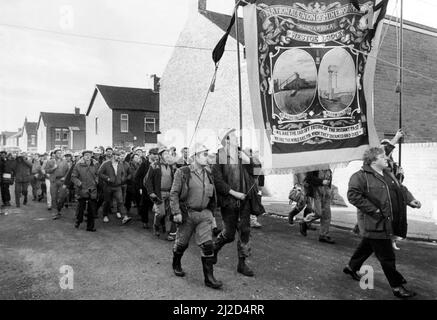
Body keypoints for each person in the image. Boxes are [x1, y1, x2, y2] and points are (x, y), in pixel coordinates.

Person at [344, 147, 421, 299]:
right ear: (373, 160)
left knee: (367, 247)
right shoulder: (360, 177)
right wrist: (375, 210)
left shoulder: (387, 173)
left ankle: (351, 267)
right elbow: (353, 196)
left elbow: (401, 189)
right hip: (375, 223)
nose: (386, 158)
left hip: (388, 222)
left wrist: (410, 200)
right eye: (383, 156)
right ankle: (397, 287)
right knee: (387, 257)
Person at [170, 143, 222, 289]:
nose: (207, 157)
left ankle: (209, 278)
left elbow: (213, 196)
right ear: (194, 156)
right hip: (187, 214)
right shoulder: (183, 172)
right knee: (182, 244)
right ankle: (176, 263)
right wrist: (176, 212)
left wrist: (212, 215)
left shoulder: (209, 173)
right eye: (204, 154)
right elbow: (174, 193)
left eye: (207, 154)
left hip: (204, 214)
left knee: (207, 245)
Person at [211, 128, 259, 277]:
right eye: (234, 137)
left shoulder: (241, 155)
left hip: (244, 202)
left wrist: (249, 162)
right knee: (229, 234)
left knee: (245, 232)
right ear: (226, 140)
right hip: (229, 202)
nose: (237, 138)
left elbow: (258, 173)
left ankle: (242, 264)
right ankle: (214, 249)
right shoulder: (220, 156)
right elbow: (217, 181)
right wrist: (234, 193)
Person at [145, 145, 177, 240]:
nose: (167, 155)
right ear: (160, 155)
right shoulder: (154, 165)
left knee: (169, 214)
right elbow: (148, 180)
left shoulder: (171, 166)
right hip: (159, 193)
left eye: (168, 153)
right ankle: (156, 225)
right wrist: (151, 192)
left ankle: (168, 233)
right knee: (161, 213)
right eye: (165, 153)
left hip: (170, 193)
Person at [298, 169, 335, 244]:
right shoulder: (314, 166)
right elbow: (309, 178)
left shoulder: (328, 168)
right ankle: (304, 221)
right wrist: (321, 182)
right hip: (316, 193)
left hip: (326, 193)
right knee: (318, 213)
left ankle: (324, 235)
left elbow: (328, 181)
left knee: (327, 215)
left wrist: (330, 191)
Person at [98, 150, 131, 224]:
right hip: (108, 186)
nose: (119, 157)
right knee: (107, 202)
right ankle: (105, 215)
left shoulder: (120, 164)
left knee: (120, 201)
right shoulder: (106, 163)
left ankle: (124, 216)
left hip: (118, 186)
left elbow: (123, 173)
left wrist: (122, 179)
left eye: (119, 156)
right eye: (117, 155)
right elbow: (99, 173)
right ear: (113, 156)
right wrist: (107, 178)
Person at [71, 150, 99, 232]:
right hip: (82, 189)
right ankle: (78, 221)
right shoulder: (78, 165)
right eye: (86, 155)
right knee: (81, 208)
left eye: (89, 155)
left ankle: (90, 227)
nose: (87, 156)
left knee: (92, 208)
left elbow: (98, 174)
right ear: (83, 156)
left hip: (92, 189)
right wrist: (79, 183)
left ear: (91, 156)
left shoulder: (96, 164)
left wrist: (97, 180)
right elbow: (73, 177)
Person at [135, 148, 158, 229]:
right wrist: (140, 187)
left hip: (156, 189)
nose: (156, 156)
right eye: (154, 154)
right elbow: (137, 177)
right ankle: (145, 221)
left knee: (157, 205)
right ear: (150, 154)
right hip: (145, 188)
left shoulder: (158, 164)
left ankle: (158, 223)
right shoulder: (144, 164)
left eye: (157, 154)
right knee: (145, 205)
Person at [44, 149, 69, 219]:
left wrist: (65, 177)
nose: (59, 154)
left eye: (60, 153)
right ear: (54, 154)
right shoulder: (50, 161)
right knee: (54, 197)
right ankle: (55, 213)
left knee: (62, 197)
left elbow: (68, 171)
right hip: (53, 181)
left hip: (62, 181)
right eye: (58, 153)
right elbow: (46, 170)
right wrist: (53, 168)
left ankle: (59, 209)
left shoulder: (65, 162)